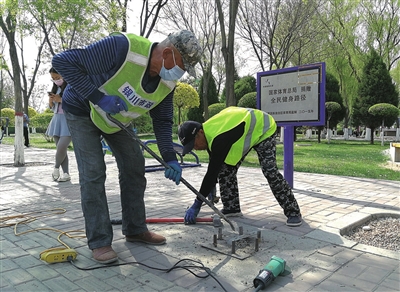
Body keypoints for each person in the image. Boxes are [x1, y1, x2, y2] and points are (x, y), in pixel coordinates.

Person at [52, 30, 202, 264]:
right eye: (182, 66)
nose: (181, 74)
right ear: (168, 53)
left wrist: (170, 158)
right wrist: (98, 97)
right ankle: (100, 241)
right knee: (93, 173)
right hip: (82, 110)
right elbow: (62, 61)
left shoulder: (167, 83)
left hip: (116, 120)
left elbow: (162, 122)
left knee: (134, 164)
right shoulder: (123, 48)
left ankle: (134, 228)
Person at [179, 106, 303, 227]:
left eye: (194, 144)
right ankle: (231, 208)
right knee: (225, 169)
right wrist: (211, 187)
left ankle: (293, 212)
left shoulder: (219, 138)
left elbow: (211, 172)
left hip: (264, 128)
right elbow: (214, 168)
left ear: (200, 133)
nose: (195, 148)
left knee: (270, 172)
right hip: (245, 131)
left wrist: (197, 203)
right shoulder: (209, 133)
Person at [46, 67, 72, 182]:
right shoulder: (55, 89)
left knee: (62, 148)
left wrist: (61, 100)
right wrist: (51, 101)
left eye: (57, 77)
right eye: (53, 78)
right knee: (61, 150)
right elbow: (52, 108)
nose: (56, 80)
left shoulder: (71, 87)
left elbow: (76, 103)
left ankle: (56, 168)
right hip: (56, 120)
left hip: (68, 120)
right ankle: (66, 174)